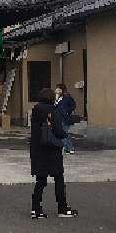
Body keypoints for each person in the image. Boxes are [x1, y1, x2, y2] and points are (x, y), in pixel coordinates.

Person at [30, 87, 78, 219]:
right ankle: (62, 208)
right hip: (51, 150)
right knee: (58, 179)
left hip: (37, 150)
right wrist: (64, 134)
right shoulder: (52, 110)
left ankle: (35, 209)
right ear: (51, 98)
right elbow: (58, 131)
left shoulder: (35, 110)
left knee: (41, 180)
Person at [54, 83, 76, 154]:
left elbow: (73, 106)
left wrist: (67, 111)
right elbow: (54, 106)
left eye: (58, 88)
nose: (57, 90)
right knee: (65, 133)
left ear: (61, 89)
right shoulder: (56, 98)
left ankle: (63, 148)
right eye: (56, 88)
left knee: (64, 132)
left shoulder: (67, 97)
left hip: (65, 118)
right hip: (58, 118)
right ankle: (69, 148)